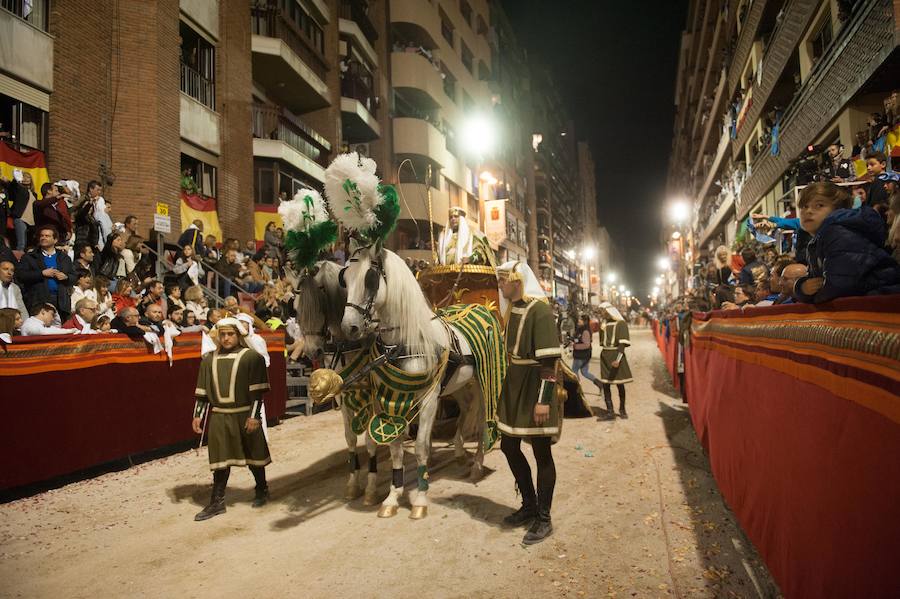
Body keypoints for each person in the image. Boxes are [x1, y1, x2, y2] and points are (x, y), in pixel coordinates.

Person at [495, 260, 561, 545]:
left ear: (517, 280)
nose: (500, 285)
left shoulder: (540, 310)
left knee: (542, 453)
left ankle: (544, 519)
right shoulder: (512, 310)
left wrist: (544, 401)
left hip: (536, 384)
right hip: (515, 382)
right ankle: (529, 505)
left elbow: (550, 362)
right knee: (509, 445)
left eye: (502, 280)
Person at [191, 317, 272, 521]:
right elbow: (202, 393)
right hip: (219, 416)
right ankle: (217, 502)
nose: (226, 338)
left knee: (254, 456)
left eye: (230, 334)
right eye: (223, 334)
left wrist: (254, 416)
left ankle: (262, 489)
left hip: (245, 414)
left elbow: (257, 394)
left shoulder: (252, 358)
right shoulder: (208, 360)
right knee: (220, 461)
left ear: (238, 335)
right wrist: (198, 416)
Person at [794, 182, 900, 302]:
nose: (808, 211)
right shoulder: (817, 240)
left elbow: (841, 284)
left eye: (819, 205)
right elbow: (816, 280)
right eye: (804, 206)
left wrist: (814, 300)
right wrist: (802, 288)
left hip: (881, 301)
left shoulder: (838, 233)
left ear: (838, 209)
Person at [16, 225, 77, 318]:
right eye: (41, 236)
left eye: (47, 236)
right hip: (39, 301)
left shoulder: (64, 258)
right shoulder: (30, 257)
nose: (43, 238)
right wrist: (41, 273)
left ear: (55, 240)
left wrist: (66, 277)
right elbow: (21, 275)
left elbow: (74, 277)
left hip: (61, 301)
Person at [597, 303, 632, 419]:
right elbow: (602, 342)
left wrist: (618, 359)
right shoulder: (604, 324)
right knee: (606, 384)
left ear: (608, 311)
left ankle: (622, 409)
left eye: (603, 311)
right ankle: (610, 411)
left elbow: (622, 343)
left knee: (619, 383)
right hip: (605, 355)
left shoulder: (620, 323)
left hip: (615, 355)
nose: (601, 313)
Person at [570, 313, 602, 393]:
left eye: (580, 320)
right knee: (585, 372)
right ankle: (599, 384)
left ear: (584, 321)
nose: (578, 321)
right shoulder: (581, 329)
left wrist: (575, 346)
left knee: (574, 371)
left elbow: (586, 345)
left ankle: (576, 389)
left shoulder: (585, 331)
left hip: (581, 355)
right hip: (582, 355)